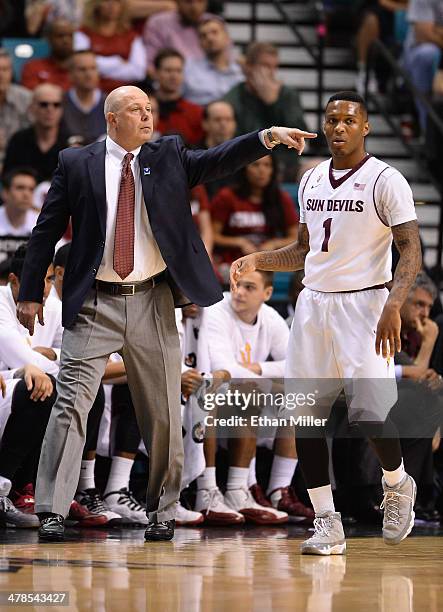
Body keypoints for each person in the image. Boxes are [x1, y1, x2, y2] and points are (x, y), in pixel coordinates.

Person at [15, 84, 315, 542]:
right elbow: (46, 229)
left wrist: (266, 136)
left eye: (150, 108)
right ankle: (53, 508)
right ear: (112, 118)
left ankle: (163, 509)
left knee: (161, 411)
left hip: (153, 298)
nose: (147, 115)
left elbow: (218, 159)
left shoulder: (169, 154)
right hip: (94, 297)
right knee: (70, 405)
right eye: (136, 109)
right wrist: (31, 290)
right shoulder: (76, 163)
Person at [231, 91, 422, 555]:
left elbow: (411, 249)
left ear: (366, 127)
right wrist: (260, 257)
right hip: (314, 307)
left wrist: (395, 305)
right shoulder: (312, 177)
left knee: (369, 413)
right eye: (332, 119)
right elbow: (304, 250)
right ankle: (325, 521)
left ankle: (397, 485)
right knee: (305, 417)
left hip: (366, 306)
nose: (338, 127)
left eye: (348, 120)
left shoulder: (386, 179)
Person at [196, 270, 313, 524]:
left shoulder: (270, 318)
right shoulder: (216, 310)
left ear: (267, 293)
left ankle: (277, 492)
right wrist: (270, 383)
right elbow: (222, 368)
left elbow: (299, 364)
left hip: (247, 396)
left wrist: (259, 369)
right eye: (236, 285)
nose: (239, 292)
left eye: (249, 287)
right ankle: (233, 489)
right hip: (212, 396)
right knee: (250, 392)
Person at [224, 42, 309, 181]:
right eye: (265, 66)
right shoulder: (234, 97)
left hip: (285, 165)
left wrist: (273, 104)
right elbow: (237, 138)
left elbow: (299, 133)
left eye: (274, 67)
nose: (271, 72)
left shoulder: (287, 94)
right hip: (247, 165)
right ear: (249, 67)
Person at [211, 155, 299, 283]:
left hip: (268, 263)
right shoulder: (227, 197)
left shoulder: (281, 199)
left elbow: (295, 238)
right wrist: (239, 242)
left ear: (273, 170)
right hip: (231, 262)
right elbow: (213, 235)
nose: (261, 170)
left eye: (267, 165)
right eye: (255, 165)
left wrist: (274, 244)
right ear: (244, 169)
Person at [74, 0, 147, 93]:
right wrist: (118, 62)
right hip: (93, 93)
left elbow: (138, 72)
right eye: (106, 1)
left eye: (116, 1)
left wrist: (98, 65)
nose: (111, 5)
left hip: (124, 95)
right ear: (96, 5)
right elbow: (82, 63)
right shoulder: (83, 33)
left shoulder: (131, 36)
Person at [3, 84, 68, 183]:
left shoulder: (71, 143)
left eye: (56, 105)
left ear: (62, 110)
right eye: (43, 104)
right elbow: (8, 180)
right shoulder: (18, 141)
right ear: (32, 108)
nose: (50, 110)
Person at [183, 16, 243, 106]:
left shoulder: (241, 70)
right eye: (203, 36)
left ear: (227, 38)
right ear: (199, 43)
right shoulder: (188, 69)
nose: (210, 38)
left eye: (214, 32)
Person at [403, 0, 443, 130]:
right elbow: (424, 33)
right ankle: (428, 132)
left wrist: (437, 29)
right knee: (427, 54)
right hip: (420, 50)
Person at [153, 48, 204, 145]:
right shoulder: (143, 111)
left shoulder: (195, 112)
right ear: (156, 73)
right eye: (168, 70)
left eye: (178, 71)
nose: (174, 76)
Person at [143, 0, 209, 70]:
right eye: (188, 1)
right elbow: (150, 65)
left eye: (200, 1)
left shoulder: (214, 22)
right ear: (177, 2)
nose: (194, 7)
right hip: (172, 78)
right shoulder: (159, 23)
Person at [63, 50, 107, 144]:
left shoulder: (111, 103)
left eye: (93, 68)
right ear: (70, 74)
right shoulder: (59, 103)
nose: (89, 74)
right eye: (82, 69)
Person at [198, 100, 238, 198]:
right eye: (217, 120)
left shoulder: (244, 156)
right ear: (205, 124)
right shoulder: (193, 155)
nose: (223, 125)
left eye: (228, 119)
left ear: (235, 124)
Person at [0, 50, 32, 172]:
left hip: (19, 164)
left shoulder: (26, 98)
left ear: (11, 72)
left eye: (5, 69)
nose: (1, 75)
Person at [21, 19, 74, 91]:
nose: (66, 40)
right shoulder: (33, 68)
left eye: (70, 36)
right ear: (49, 39)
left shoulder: (83, 69)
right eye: (60, 36)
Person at [0, 168, 39, 237]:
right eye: (20, 188)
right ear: (5, 193)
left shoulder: (41, 223)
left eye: (31, 189)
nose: (26, 194)